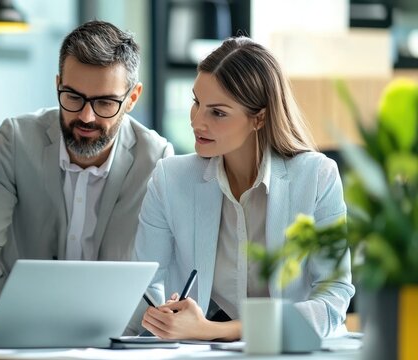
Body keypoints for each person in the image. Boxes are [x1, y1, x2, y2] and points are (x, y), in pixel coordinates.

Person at [0, 20, 173, 335]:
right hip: (13, 334)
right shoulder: (16, 140)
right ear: (58, 85)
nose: (86, 116)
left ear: (132, 98)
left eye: (105, 102)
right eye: (73, 97)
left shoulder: (157, 160)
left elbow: (159, 276)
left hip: (114, 340)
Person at [130, 37, 354, 340]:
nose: (197, 122)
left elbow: (333, 298)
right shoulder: (170, 178)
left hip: (293, 351)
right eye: (196, 102)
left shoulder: (317, 177)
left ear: (259, 118)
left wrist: (214, 330)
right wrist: (164, 315)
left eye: (217, 112)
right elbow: (145, 283)